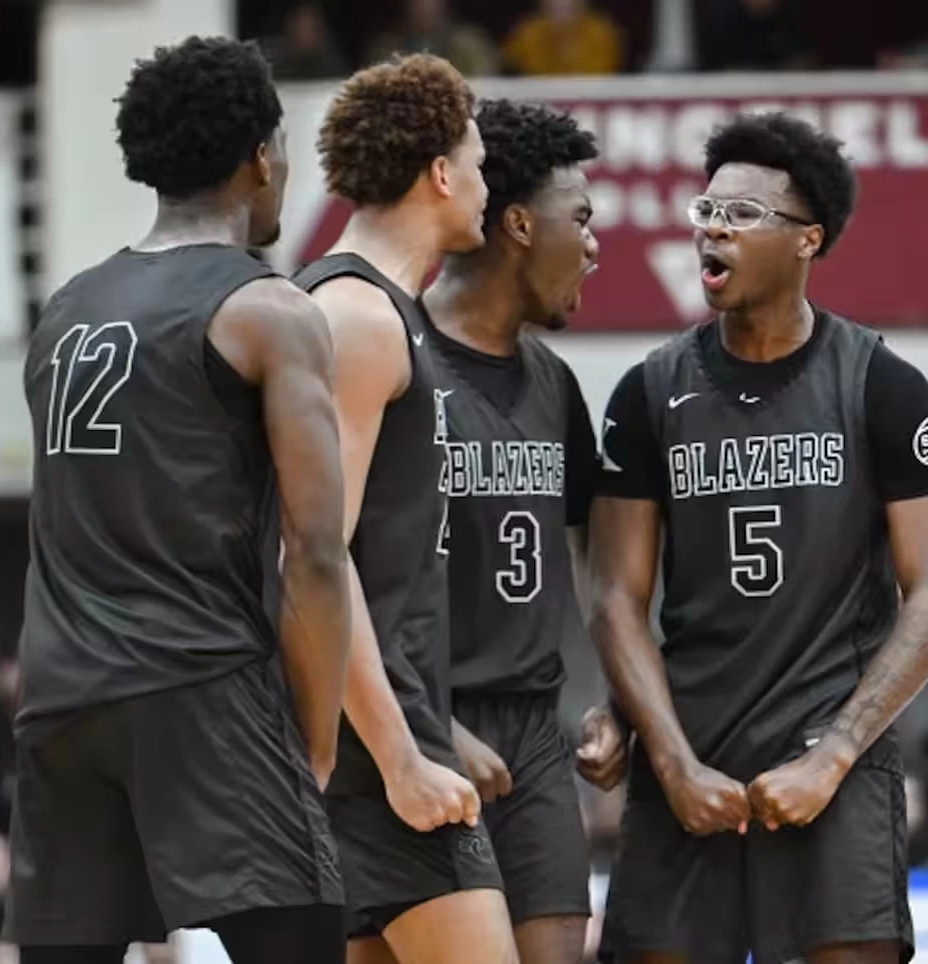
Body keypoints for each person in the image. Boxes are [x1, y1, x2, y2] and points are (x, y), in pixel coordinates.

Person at [590, 111, 928, 964]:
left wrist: (835, 755)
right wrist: (669, 759)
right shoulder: (648, 392)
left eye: (743, 214)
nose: (713, 229)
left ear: (809, 239)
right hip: (689, 752)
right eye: (706, 211)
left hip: (832, 753)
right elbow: (614, 595)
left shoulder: (882, 384)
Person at [6, 36, 351, 964]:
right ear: (261, 157)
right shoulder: (271, 310)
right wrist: (315, 744)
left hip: (59, 696)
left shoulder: (66, 308)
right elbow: (318, 554)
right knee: (305, 941)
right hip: (198, 686)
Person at [292, 54, 517, 964]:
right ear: (440, 174)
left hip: (379, 729)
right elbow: (312, 558)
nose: (486, 186)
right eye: (479, 164)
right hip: (371, 753)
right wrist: (399, 759)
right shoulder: (357, 317)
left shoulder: (373, 309)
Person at [419, 98, 619, 964]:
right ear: (518, 225)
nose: (594, 245)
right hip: (420, 720)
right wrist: (423, 726)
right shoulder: (393, 353)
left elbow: (595, 556)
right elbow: (321, 570)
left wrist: (617, 694)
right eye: (582, 219)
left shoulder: (555, 385)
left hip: (535, 731)